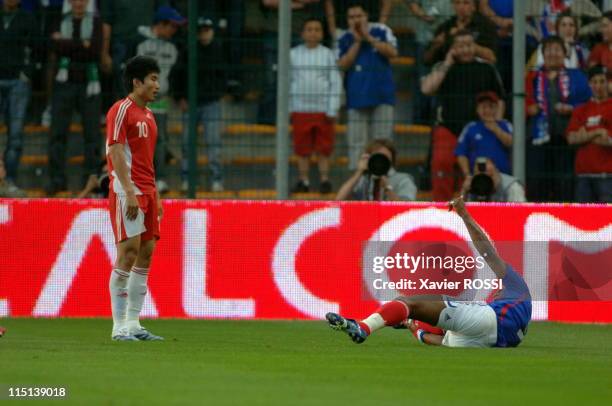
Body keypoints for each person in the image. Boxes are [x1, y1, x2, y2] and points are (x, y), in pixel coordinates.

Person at [326, 194, 532, 348]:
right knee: (429, 323)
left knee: (409, 302)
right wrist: (414, 330)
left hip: (490, 322)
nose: (496, 290)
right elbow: (438, 341)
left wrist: (465, 215)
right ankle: (405, 320)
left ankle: (363, 327)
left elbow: (487, 252)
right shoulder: (519, 314)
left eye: (499, 288)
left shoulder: (515, 286)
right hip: (493, 341)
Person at [106, 55, 163, 341]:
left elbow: (146, 159)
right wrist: (129, 192)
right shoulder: (121, 110)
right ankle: (118, 328)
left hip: (148, 192)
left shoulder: (150, 115)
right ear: (136, 82)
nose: (157, 85)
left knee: (146, 254)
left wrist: (157, 194)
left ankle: (133, 324)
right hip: (127, 192)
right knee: (127, 254)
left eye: (157, 79)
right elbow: (115, 152)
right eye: (152, 79)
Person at [421, 29, 505, 201]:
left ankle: (467, 208)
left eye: (469, 45)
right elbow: (426, 89)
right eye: (460, 46)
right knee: (442, 166)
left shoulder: (486, 67)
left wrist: (495, 123)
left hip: (478, 129)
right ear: (452, 48)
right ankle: (442, 208)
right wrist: (447, 61)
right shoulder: (443, 67)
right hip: (448, 127)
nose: (466, 49)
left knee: (474, 171)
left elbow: (500, 99)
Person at [46, 0, 103, 196]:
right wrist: (82, 46)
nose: (78, 3)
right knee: (57, 134)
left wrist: (66, 43)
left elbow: (95, 51)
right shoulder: (58, 19)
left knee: (92, 136)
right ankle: (57, 180)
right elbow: (54, 47)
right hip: (64, 84)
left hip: (89, 84)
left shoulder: (96, 22)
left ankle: (91, 181)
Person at [526, 35, 591, 202]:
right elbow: (521, 102)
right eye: (548, 49)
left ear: (564, 54)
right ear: (543, 53)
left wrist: (572, 108)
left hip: (565, 140)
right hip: (538, 140)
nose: (552, 53)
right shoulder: (532, 78)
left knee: (565, 184)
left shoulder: (577, 76)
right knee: (538, 184)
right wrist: (529, 108)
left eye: (557, 49)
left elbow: (588, 103)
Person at [337, 2, 398, 170]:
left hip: (383, 95)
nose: (356, 20)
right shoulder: (344, 37)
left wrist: (369, 38)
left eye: (359, 16)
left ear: (367, 16)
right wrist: (357, 42)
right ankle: (358, 181)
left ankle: (384, 176)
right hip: (356, 98)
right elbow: (342, 64)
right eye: (352, 17)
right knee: (357, 143)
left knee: (383, 140)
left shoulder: (381, 30)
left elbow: (393, 53)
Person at [171, 17, 227, 193]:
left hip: (211, 102)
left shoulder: (218, 50)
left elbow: (224, 74)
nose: (204, 33)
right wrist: (180, 97)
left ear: (212, 31)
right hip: (191, 103)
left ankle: (216, 179)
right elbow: (177, 74)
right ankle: (187, 179)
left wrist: (219, 93)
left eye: (207, 30)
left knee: (213, 142)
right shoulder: (187, 50)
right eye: (201, 30)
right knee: (188, 143)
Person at [134, 5, 185, 194]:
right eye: (172, 26)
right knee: (139, 141)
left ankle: (160, 179)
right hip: (140, 102)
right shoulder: (139, 42)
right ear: (161, 24)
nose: (175, 30)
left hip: (162, 101)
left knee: (160, 140)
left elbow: (176, 74)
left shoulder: (174, 47)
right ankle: (139, 179)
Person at [290, 17, 342, 194]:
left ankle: (324, 179)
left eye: (317, 29)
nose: (313, 32)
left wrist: (332, 107)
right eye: (309, 29)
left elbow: (335, 81)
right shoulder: (293, 54)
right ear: (303, 33)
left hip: (322, 110)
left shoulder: (327, 54)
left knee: (323, 148)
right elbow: (287, 81)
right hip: (300, 109)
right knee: (302, 148)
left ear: (322, 33)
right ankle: (303, 180)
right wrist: (289, 107)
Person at [0, 0, 36, 196]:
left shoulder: (27, 19)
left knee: (15, 136)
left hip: (18, 82)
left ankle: (9, 180)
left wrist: (26, 73)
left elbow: (37, 48)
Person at [566, 65, 612, 203]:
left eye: (602, 81)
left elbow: (609, 141)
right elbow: (571, 139)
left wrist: (584, 135)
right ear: (589, 84)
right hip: (583, 175)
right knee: (583, 221)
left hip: (607, 176)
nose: (598, 86)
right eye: (595, 82)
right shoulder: (580, 110)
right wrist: (598, 131)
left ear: (608, 83)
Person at [336, 138, 417, 201]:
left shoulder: (403, 180)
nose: (380, 161)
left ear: (392, 159)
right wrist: (359, 172)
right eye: (377, 156)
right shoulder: (364, 180)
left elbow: (406, 208)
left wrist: (387, 188)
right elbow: (339, 200)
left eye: (384, 157)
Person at [455, 91, 512, 178]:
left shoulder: (505, 125)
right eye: (483, 107)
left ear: (497, 108)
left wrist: (496, 129)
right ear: (477, 109)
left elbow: (513, 143)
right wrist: (467, 175)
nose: (487, 110)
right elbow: (461, 154)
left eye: (491, 106)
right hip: (478, 177)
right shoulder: (470, 127)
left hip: (503, 176)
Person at [424, 0, 498, 65]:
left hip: (477, 72)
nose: (461, 7)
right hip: (450, 73)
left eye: (466, 3)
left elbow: (493, 57)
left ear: (474, 7)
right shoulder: (445, 27)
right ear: (453, 5)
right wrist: (436, 45)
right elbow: (426, 60)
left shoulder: (485, 26)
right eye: (457, 2)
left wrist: (466, 42)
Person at [325, 0, 392, 39]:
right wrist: (333, 30)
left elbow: (387, 2)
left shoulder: (378, 29)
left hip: (372, 26)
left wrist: (380, 26)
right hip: (342, 27)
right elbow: (329, 3)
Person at [588, 11, 612, 92]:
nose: (601, 30)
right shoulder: (598, 49)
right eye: (601, 27)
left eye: (605, 26)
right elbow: (592, 74)